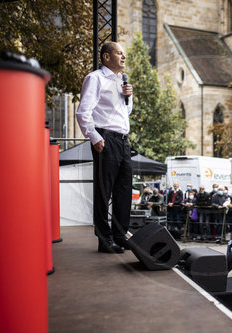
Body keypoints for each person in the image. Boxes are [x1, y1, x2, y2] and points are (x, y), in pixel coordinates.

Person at [76, 41, 133, 253]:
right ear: (106, 57)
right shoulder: (95, 79)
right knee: (103, 192)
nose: (124, 57)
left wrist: (129, 96)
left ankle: (120, 235)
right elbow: (83, 111)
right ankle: (104, 239)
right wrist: (94, 136)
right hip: (105, 138)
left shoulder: (122, 83)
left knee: (123, 191)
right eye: (119, 53)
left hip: (123, 140)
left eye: (124, 54)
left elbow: (126, 113)